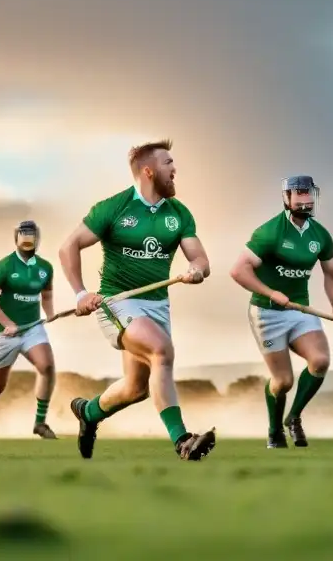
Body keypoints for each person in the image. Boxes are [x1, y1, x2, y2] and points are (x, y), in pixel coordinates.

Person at [58, 139, 216, 461]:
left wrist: (196, 270)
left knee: (136, 388)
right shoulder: (113, 207)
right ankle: (182, 440)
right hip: (117, 302)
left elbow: (200, 259)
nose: (174, 170)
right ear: (148, 170)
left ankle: (88, 413)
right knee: (161, 350)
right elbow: (68, 246)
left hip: (157, 305)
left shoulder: (179, 213)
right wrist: (81, 293)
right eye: (168, 163)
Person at [229, 175, 333, 449]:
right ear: (287, 198)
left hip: (300, 310)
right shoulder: (269, 232)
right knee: (283, 381)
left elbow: (331, 273)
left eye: (309, 195)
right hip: (267, 313)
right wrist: (271, 293)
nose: (305, 200)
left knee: (320, 361)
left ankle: (293, 417)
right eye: (299, 195)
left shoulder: (320, 235)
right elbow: (238, 270)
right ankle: (273, 431)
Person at [0, 220, 58, 440]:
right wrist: (7, 323)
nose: (28, 241)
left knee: (47, 366)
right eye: (24, 237)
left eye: (32, 237)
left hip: (32, 328)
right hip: (2, 333)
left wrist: (50, 314)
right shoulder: (4, 266)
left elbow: (47, 295)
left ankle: (40, 423)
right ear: (17, 239)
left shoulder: (45, 267)